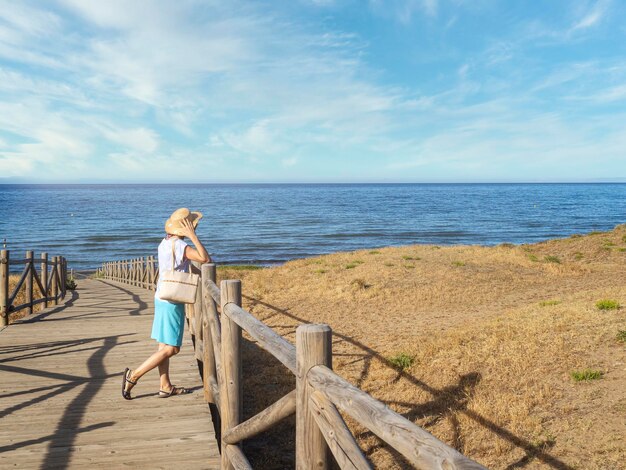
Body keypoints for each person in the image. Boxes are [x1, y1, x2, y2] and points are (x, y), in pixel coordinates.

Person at [122, 208, 210, 399]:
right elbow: (204, 258)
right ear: (186, 228)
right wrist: (193, 236)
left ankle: (165, 386)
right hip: (172, 300)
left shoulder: (164, 243)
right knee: (172, 349)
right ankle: (133, 376)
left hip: (161, 295)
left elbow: (175, 268)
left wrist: (199, 275)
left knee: (163, 347)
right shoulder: (181, 246)